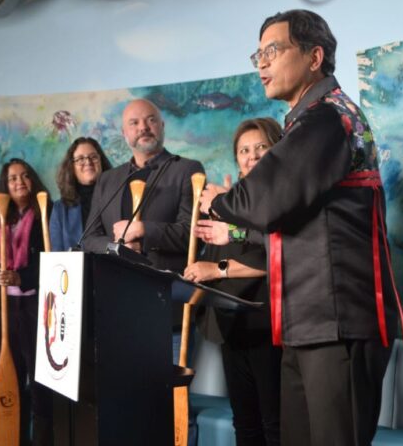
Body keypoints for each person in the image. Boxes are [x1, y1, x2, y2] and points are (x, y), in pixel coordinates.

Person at [199, 10, 403, 446]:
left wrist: (217, 202)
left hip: (339, 323)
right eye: (258, 54)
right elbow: (283, 212)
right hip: (308, 324)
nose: (261, 64)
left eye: (272, 51)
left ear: (315, 57)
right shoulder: (308, 120)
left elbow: (264, 199)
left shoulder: (328, 117)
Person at [82, 98, 205, 445]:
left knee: (173, 402)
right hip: (117, 315)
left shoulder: (187, 170)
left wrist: (144, 230)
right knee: (128, 404)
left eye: (150, 120)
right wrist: (116, 245)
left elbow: (193, 232)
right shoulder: (108, 181)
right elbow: (88, 239)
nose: (143, 128)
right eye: (135, 123)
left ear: (162, 126)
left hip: (168, 312)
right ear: (124, 133)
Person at [184, 117, 282, 446]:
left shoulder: (281, 197)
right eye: (244, 150)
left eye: (260, 147)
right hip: (232, 328)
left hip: (269, 329)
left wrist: (217, 269)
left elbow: (273, 257)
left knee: (274, 424)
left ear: (277, 148)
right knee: (245, 424)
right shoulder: (226, 200)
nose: (251, 155)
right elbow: (211, 256)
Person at [0, 158, 54, 446]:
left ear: (33, 181)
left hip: (38, 308)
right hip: (4, 309)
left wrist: (21, 278)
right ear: (5, 186)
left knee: (42, 383)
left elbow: (54, 262)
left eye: (25, 176)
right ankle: (12, 439)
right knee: (13, 380)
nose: (19, 182)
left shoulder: (47, 212)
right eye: (12, 178)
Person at [49, 137, 112, 251]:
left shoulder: (116, 197)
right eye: (80, 159)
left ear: (101, 161)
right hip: (74, 268)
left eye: (93, 157)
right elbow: (57, 255)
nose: (88, 162)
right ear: (71, 166)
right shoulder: (60, 209)